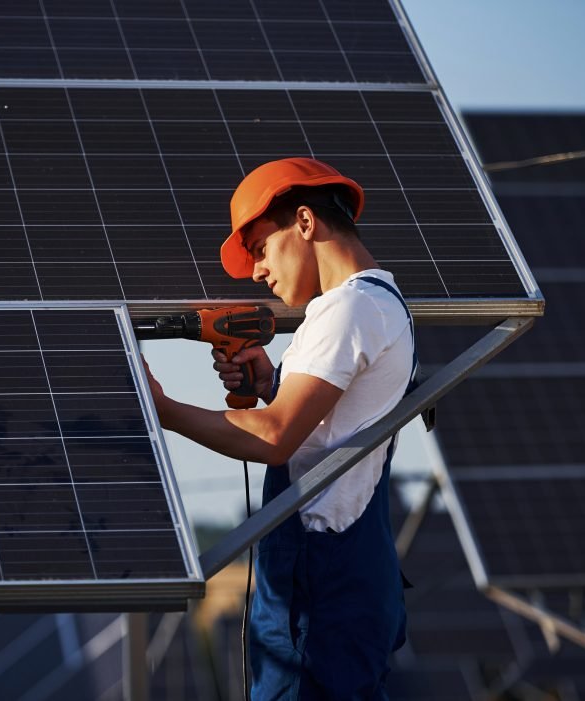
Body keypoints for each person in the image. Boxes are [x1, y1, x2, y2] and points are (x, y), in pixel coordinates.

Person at [144, 157, 417, 700]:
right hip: (338, 574)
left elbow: (273, 438)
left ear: (307, 223)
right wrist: (273, 384)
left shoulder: (351, 308)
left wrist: (164, 410)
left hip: (320, 581)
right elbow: (328, 429)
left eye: (262, 249)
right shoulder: (376, 304)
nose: (257, 273)